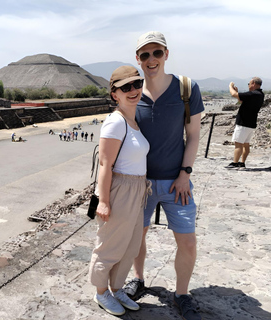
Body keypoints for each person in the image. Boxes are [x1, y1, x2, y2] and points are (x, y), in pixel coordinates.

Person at [125, 31, 204, 320]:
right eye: (144, 55)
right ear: (138, 59)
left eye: (156, 52)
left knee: (188, 242)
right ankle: (138, 278)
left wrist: (185, 173)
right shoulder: (132, 91)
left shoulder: (186, 88)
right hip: (139, 183)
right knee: (137, 237)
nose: (151, 59)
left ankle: (182, 293)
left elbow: (193, 135)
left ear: (166, 54)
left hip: (176, 182)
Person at [89, 66, 150, 316]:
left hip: (137, 189)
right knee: (110, 245)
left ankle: (117, 288)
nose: (133, 90)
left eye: (136, 84)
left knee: (131, 245)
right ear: (115, 94)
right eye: (126, 87)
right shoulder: (116, 122)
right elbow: (105, 164)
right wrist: (103, 201)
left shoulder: (134, 120)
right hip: (121, 188)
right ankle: (101, 292)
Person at [225, 78, 265, 169]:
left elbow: (233, 94)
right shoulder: (260, 94)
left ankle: (235, 163)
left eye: (249, 83)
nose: (248, 85)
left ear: (253, 84)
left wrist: (230, 86)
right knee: (246, 144)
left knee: (238, 143)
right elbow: (242, 100)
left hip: (243, 123)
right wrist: (237, 93)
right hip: (251, 123)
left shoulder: (253, 94)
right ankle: (242, 162)